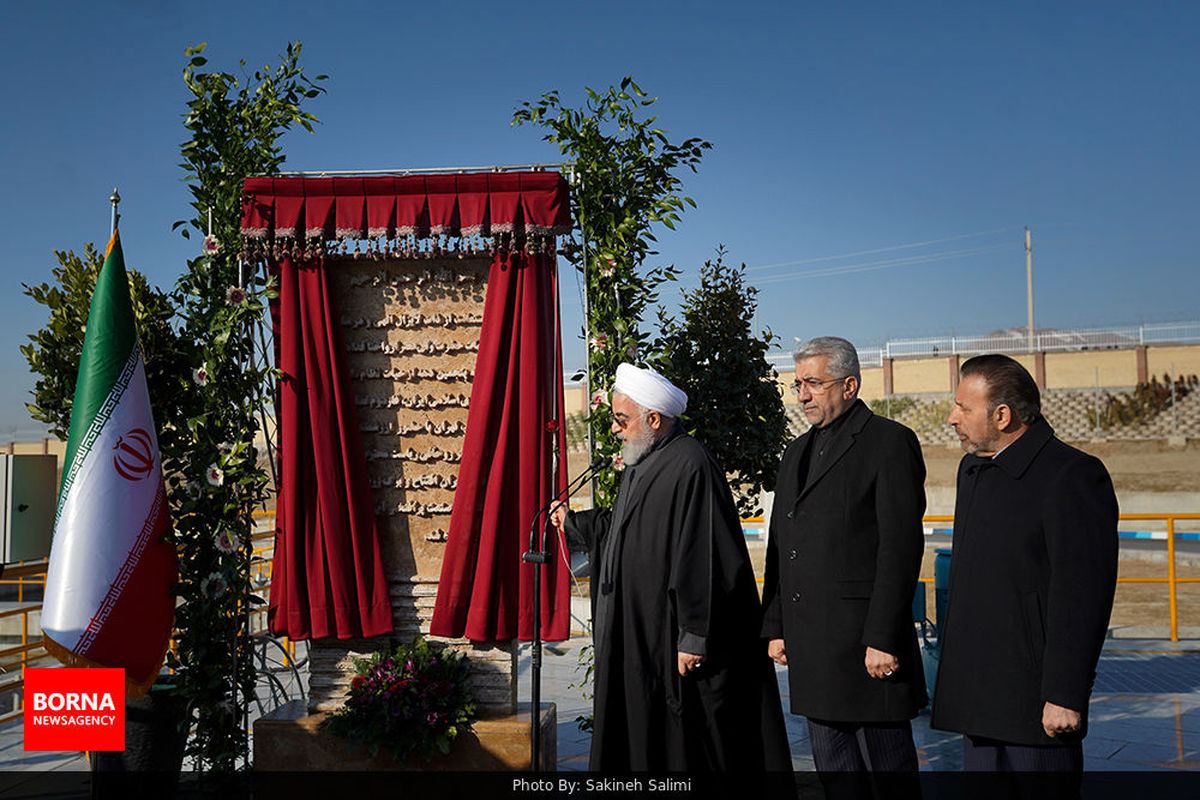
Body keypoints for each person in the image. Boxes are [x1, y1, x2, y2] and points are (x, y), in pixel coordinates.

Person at [550, 363, 791, 775]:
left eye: (621, 419)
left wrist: (694, 635)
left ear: (654, 419)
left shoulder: (690, 465)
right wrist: (573, 523)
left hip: (673, 642)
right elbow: (623, 528)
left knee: (685, 743)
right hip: (640, 636)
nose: (614, 429)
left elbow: (705, 556)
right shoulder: (645, 462)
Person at [932, 354, 1118, 777]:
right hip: (977, 700)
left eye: (963, 407)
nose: (951, 417)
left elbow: (1082, 596)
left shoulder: (1072, 475)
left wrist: (1065, 694)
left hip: (1035, 705)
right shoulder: (973, 469)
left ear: (1002, 415)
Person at [761, 336, 928, 783]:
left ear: (849, 385)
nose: (802, 396)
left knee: (884, 769)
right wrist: (775, 625)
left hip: (865, 650)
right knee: (834, 769)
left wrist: (884, 637)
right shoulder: (795, 451)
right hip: (812, 650)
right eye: (798, 384)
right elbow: (783, 545)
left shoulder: (889, 443)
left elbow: (900, 547)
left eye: (813, 383)